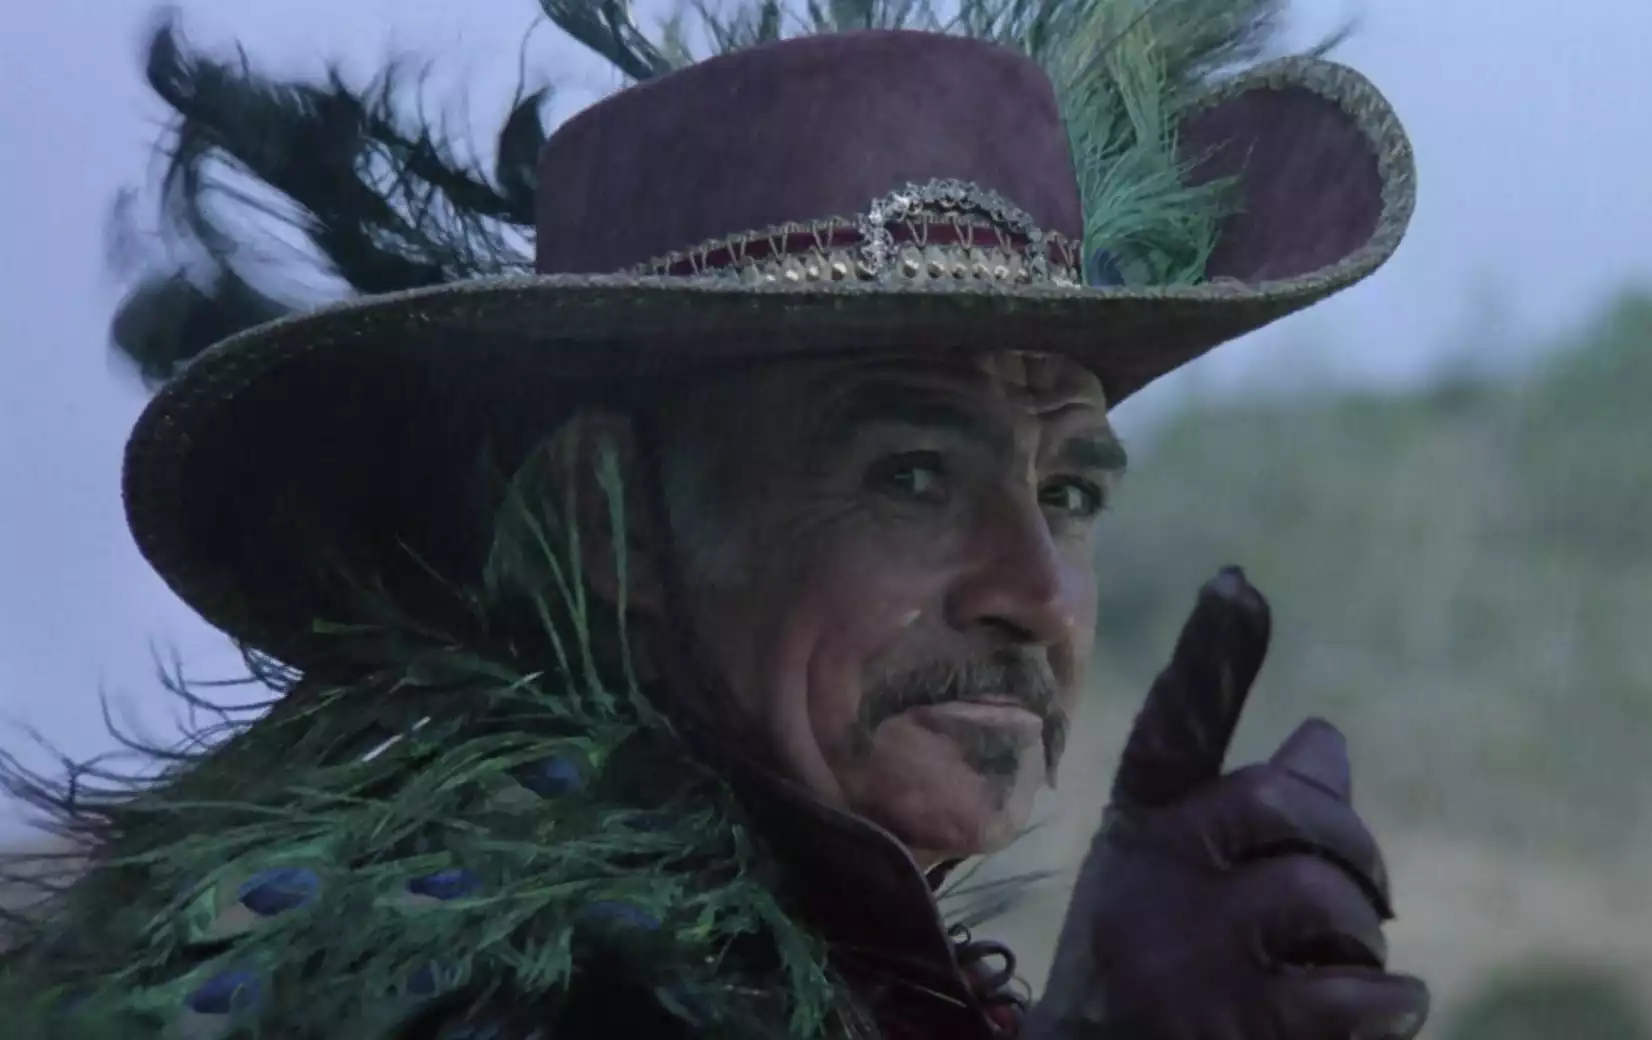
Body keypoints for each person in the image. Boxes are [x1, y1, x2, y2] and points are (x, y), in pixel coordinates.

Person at [0, 3, 1426, 1037]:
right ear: (606, 523)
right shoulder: (525, 975)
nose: (1035, 590)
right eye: (910, 476)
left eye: (1067, 492)